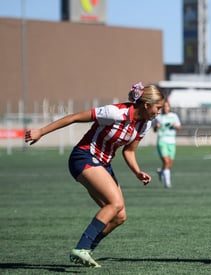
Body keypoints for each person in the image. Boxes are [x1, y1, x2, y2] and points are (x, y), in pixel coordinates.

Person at [25, 82, 165, 268]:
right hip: (83, 157)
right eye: (158, 108)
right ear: (146, 104)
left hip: (103, 164)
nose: (159, 112)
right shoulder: (115, 113)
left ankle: (85, 250)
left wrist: (137, 172)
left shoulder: (144, 125)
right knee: (115, 203)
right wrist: (40, 132)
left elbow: (129, 151)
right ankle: (81, 248)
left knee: (119, 216)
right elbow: (74, 117)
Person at [153, 100, 182, 188]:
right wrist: (156, 127)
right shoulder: (158, 117)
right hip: (162, 141)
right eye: (164, 106)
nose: (165, 108)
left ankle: (161, 172)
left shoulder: (174, 116)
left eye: (167, 106)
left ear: (169, 107)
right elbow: (154, 130)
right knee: (166, 161)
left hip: (172, 142)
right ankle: (167, 184)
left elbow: (179, 128)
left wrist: (175, 126)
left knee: (169, 163)